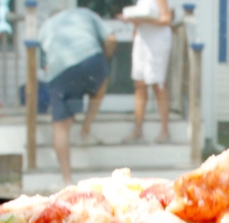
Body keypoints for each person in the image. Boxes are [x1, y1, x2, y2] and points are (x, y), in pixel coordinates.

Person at [38, 7, 117, 185]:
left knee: (61, 126)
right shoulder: (84, 13)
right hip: (90, 59)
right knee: (101, 81)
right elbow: (111, 39)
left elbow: (44, 66)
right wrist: (104, 58)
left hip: (60, 69)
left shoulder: (44, 28)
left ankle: (67, 179)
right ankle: (86, 127)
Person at [120, 0, 173, 144]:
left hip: (157, 41)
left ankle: (164, 130)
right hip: (142, 39)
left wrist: (144, 20)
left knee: (158, 84)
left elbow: (166, 19)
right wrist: (132, 22)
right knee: (139, 84)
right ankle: (137, 129)